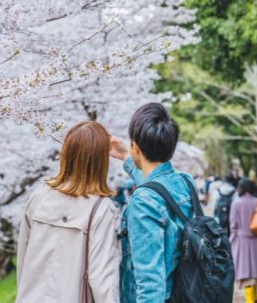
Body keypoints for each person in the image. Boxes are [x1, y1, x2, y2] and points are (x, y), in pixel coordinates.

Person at [17, 121, 120, 303]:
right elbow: (102, 279)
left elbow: (23, 258)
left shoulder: (40, 195)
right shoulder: (101, 208)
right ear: (101, 161)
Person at [109, 102, 194, 303]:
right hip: (183, 293)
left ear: (136, 147)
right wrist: (126, 158)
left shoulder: (142, 202)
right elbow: (156, 186)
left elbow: (150, 283)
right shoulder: (185, 181)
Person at [230, 179, 257, 303]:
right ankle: (255, 297)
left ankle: (250, 300)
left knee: (244, 271)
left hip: (241, 240)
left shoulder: (236, 204)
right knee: (255, 268)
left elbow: (233, 225)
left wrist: (232, 240)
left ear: (242, 188)